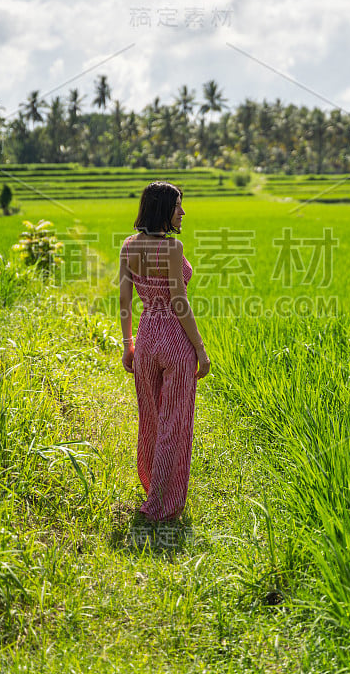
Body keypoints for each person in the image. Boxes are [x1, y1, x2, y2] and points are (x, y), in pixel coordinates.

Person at [119, 181, 211, 523]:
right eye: (177, 207)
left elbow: (125, 300)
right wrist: (200, 350)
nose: (182, 212)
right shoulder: (173, 249)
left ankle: (151, 490)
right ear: (163, 211)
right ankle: (165, 503)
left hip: (146, 336)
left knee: (152, 419)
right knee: (176, 422)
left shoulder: (128, 247)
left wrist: (127, 343)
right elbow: (178, 301)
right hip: (174, 338)